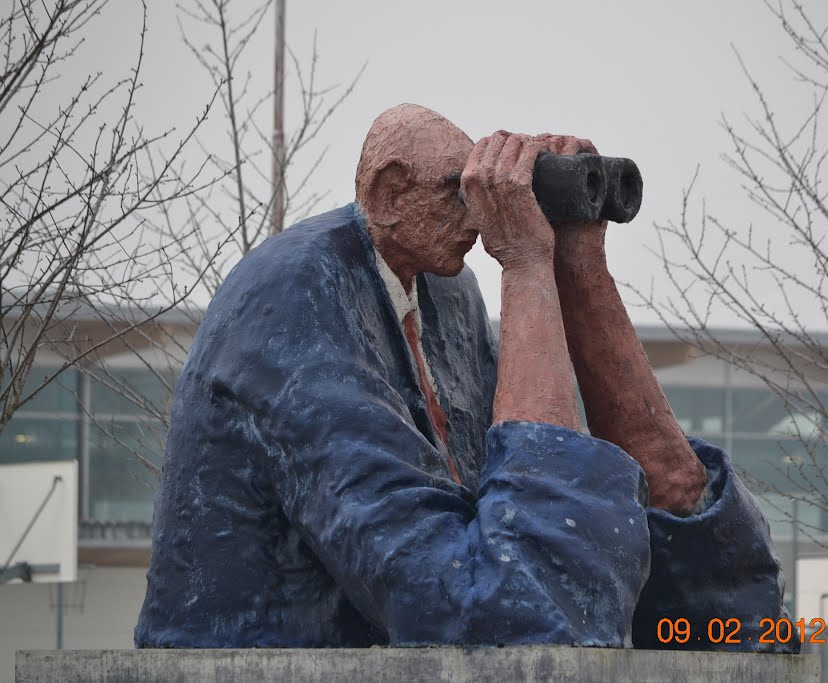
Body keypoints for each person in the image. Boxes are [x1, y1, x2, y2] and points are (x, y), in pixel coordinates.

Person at [135, 104, 794, 652]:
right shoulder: (293, 295)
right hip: (259, 660)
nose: (480, 219)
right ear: (390, 194)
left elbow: (721, 614)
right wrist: (526, 266)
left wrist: (573, 265)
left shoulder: (446, 298)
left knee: (690, 528)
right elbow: (510, 610)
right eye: (458, 193)